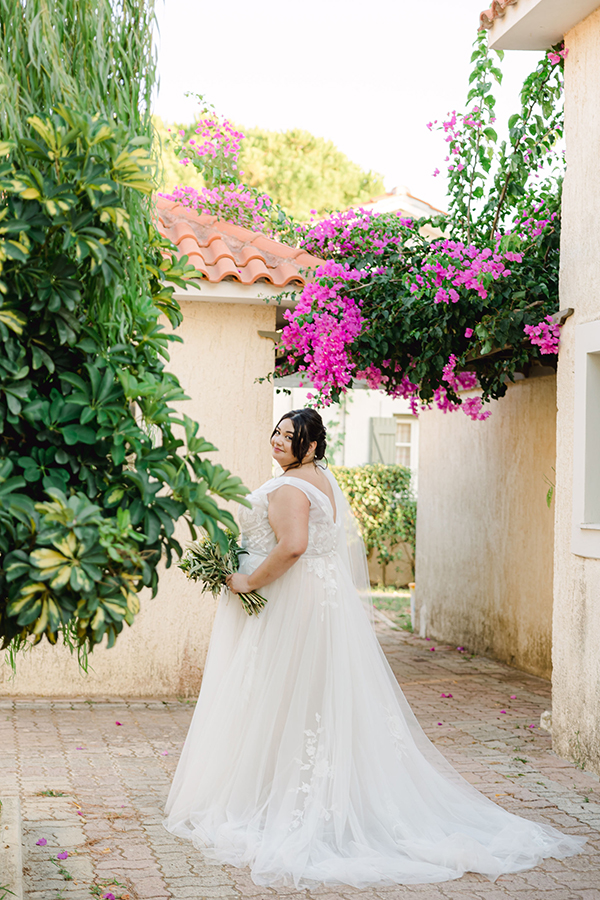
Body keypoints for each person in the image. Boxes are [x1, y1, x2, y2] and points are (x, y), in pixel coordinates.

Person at [163, 408, 585, 888]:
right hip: (317, 602)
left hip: (291, 604)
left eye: (292, 436)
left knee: (281, 697)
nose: (279, 440)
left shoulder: (289, 488)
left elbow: (293, 546)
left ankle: (285, 803)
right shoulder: (320, 480)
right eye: (277, 432)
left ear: (314, 446)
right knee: (308, 700)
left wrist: (244, 581)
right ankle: (297, 791)